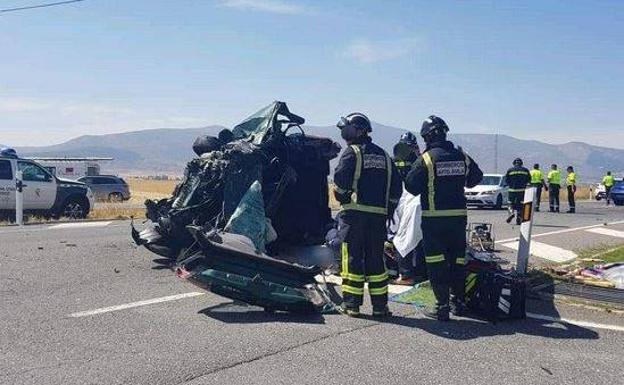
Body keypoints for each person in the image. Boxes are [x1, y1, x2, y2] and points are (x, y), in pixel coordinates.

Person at [405, 115, 483, 321]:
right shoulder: (462, 156)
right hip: (458, 219)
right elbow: (476, 179)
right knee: (458, 260)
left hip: (434, 220)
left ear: (427, 137)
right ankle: (458, 303)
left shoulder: (427, 159)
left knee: (436, 262)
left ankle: (442, 307)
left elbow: (411, 186)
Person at [333, 112, 403, 318]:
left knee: (352, 259)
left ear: (359, 130)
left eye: (347, 128)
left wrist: (344, 198)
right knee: (376, 261)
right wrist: (388, 210)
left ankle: (352, 305)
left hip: (354, 217)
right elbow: (396, 188)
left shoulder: (351, 152)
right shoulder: (384, 156)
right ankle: (380, 307)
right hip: (379, 218)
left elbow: (340, 182)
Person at [504, 158, 531, 225]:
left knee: (510, 203)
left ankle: (511, 213)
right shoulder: (525, 170)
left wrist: (510, 184)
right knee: (521, 205)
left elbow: (506, 180)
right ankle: (519, 218)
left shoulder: (510, 170)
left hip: (512, 190)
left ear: (514, 163)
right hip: (521, 191)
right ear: (521, 163)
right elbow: (529, 180)